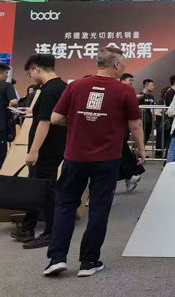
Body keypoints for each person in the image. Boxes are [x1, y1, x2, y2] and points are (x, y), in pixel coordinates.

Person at [43, 46, 144, 277]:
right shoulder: (124, 90)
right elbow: (135, 124)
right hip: (107, 159)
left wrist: (79, 122)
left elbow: (56, 118)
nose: (124, 67)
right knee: (99, 208)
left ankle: (56, 259)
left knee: (65, 205)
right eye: (123, 63)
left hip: (74, 156)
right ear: (116, 64)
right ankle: (88, 262)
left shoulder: (75, 86)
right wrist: (140, 149)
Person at [11, 55, 67, 249]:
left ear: (36, 69)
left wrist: (34, 151)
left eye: (29, 73)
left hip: (45, 149)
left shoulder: (48, 90)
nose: (31, 76)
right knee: (38, 187)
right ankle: (27, 227)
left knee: (46, 190)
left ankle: (50, 232)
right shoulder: (63, 87)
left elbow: (45, 122)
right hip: (58, 145)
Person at [118, 74, 145, 192]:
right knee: (121, 152)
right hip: (116, 129)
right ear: (122, 80)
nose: (132, 82)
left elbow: (135, 124)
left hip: (121, 128)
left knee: (121, 151)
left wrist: (141, 147)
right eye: (130, 80)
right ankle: (131, 174)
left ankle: (131, 174)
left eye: (133, 80)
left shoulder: (128, 92)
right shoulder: (121, 91)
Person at [0, 63, 19, 169]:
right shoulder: (7, 86)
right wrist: (11, 111)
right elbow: (14, 101)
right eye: (6, 73)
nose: (7, 76)